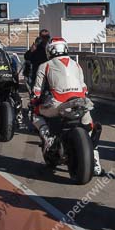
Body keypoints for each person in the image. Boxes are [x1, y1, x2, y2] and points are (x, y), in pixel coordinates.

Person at [30, 37, 102, 176]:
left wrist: (34, 101)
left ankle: (47, 137)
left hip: (58, 104)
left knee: (34, 113)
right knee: (91, 129)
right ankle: (96, 163)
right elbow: (84, 88)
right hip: (81, 103)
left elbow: (37, 91)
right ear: (65, 48)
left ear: (49, 50)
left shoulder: (45, 65)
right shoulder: (76, 64)